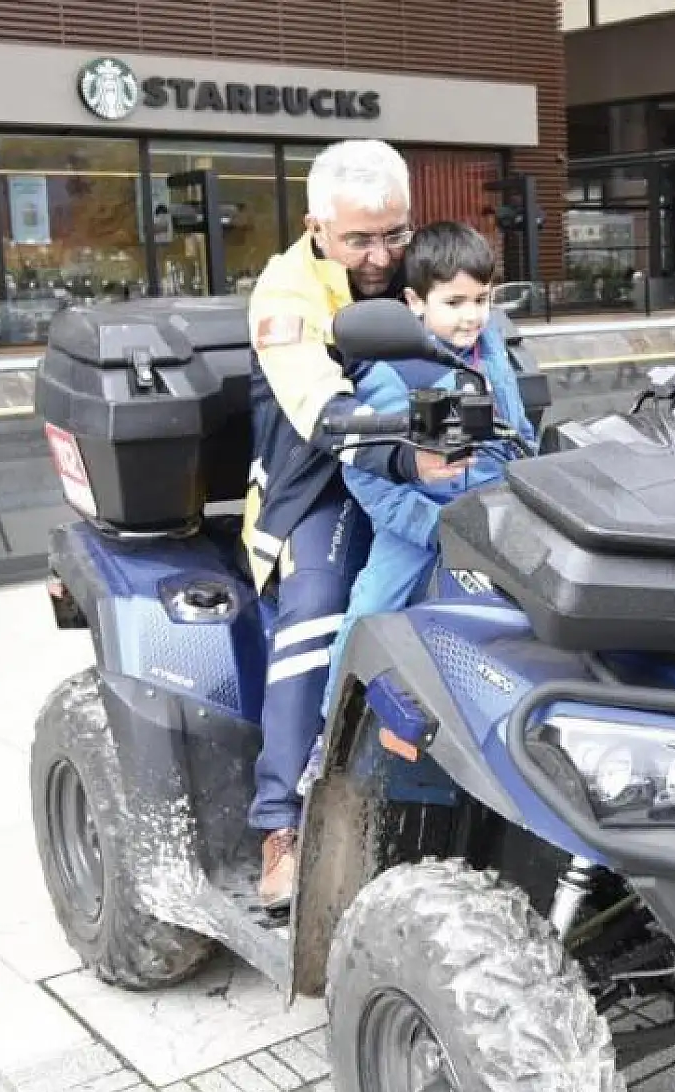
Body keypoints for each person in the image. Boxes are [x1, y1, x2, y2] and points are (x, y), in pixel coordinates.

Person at [243, 138, 442, 910]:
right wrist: (412, 457)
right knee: (317, 612)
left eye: (395, 233)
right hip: (317, 480)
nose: (381, 254)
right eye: (361, 238)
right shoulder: (286, 292)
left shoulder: (418, 261)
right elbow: (321, 412)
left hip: (425, 465)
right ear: (317, 227)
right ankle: (280, 825)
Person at [317, 221, 536, 726]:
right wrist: (430, 527)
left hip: (495, 511)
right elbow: (366, 474)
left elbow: (516, 426)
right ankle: (329, 729)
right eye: (454, 303)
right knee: (369, 612)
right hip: (421, 525)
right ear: (416, 302)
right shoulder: (394, 373)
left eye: (481, 299)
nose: (472, 316)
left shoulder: (491, 348)